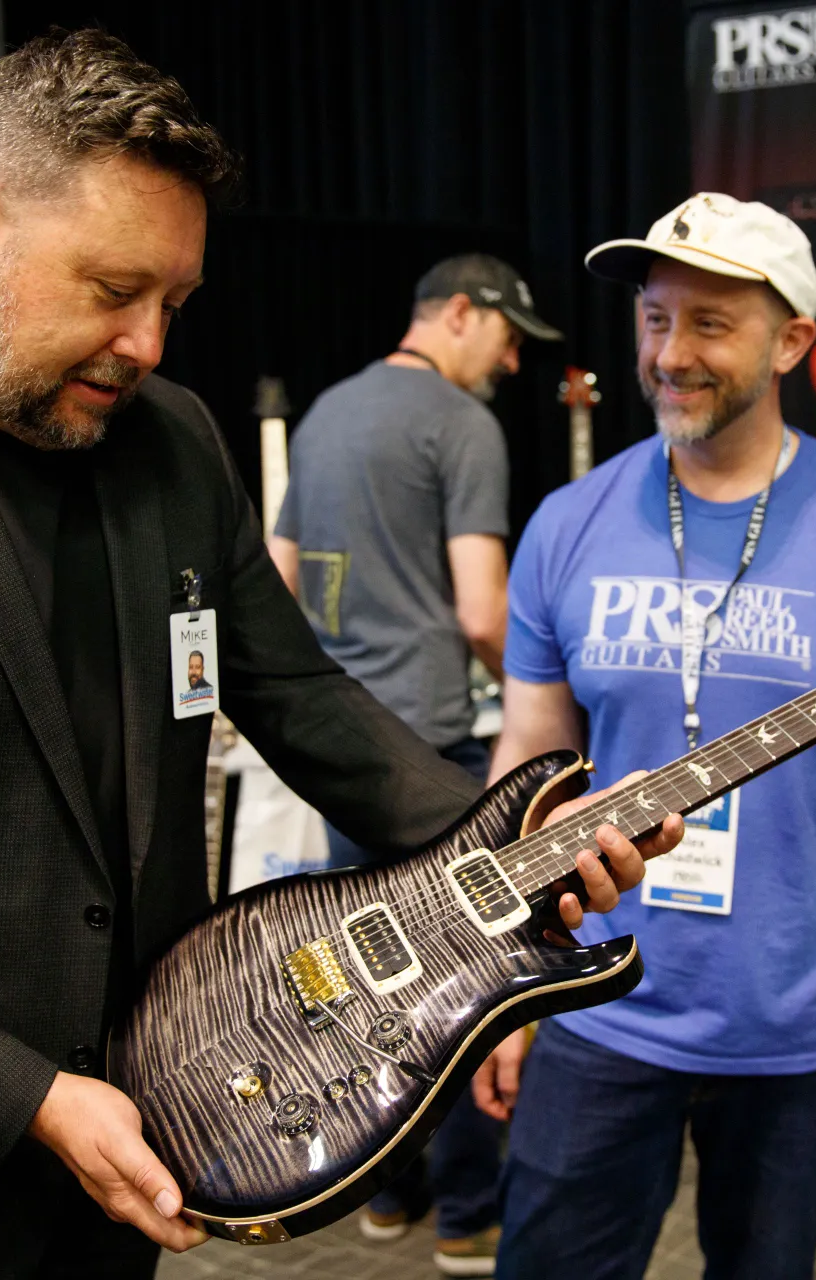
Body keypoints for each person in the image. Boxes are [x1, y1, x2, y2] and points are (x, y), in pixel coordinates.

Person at [0, 31, 677, 1280]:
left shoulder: (169, 441)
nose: (149, 344)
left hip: (126, 1170)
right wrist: (22, 1094)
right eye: (112, 289)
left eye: (173, 302)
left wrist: (505, 832)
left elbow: (298, 696)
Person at [471, 193, 816, 1280]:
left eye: (710, 323)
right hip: (593, 999)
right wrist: (495, 989)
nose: (671, 353)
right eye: (657, 319)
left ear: (793, 338)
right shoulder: (568, 521)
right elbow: (525, 763)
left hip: (799, 1023)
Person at [268, 255, 561, 1275]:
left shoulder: (326, 415)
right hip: (431, 747)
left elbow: (281, 577)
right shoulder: (460, 423)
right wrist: (543, 690)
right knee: (461, 984)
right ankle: (468, 1212)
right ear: (459, 315)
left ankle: (393, 1191)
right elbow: (485, 610)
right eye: (508, 336)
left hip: (337, 748)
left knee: (371, 977)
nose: (513, 360)